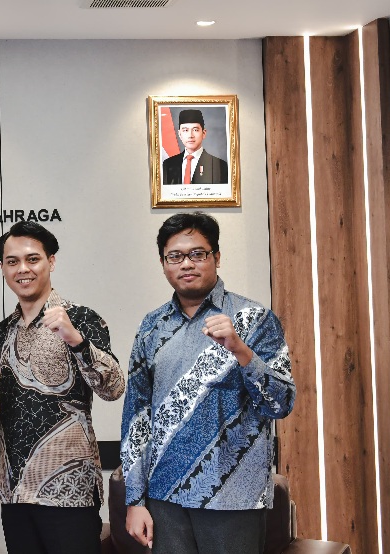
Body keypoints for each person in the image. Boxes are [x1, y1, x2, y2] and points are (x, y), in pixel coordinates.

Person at [121, 212, 296, 554]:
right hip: (164, 496)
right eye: (175, 256)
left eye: (198, 254)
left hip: (234, 496)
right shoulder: (152, 327)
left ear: (216, 256)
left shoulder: (254, 318)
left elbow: (281, 403)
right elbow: (137, 416)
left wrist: (241, 350)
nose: (187, 263)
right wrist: (134, 500)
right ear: (163, 264)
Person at [0, 221, 125, 554]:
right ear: (3, 268)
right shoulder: (0, 333)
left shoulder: (83, 319)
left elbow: (113, 387)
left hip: (69, 490)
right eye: (12, 261)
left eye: (32, 259)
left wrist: (76, 339)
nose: (23, 269)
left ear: (51, 261)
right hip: (15, 490)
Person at [162, 109, 228, 185]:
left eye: (195, 130)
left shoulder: (219, 165)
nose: (190, 135)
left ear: (203, 133)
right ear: (180, 134)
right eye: (185, 130)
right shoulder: (168, 164)